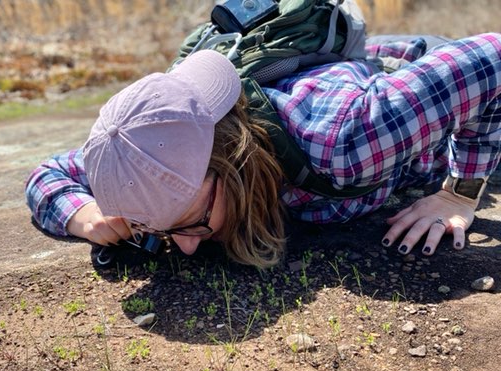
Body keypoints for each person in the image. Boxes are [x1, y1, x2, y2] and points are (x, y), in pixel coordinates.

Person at [25, 33, 501, 269]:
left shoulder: (347, 144)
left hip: (423, 87)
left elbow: (492, 58)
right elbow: (47, 174)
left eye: (189, 225)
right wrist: (86, 216)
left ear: (230, 160)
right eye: (157, 231)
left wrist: (459, 193)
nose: (186, 248)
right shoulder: (141, 152)